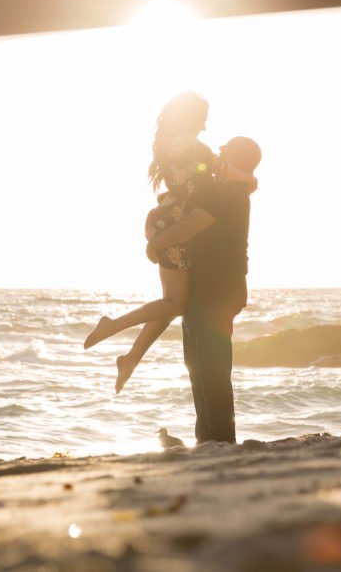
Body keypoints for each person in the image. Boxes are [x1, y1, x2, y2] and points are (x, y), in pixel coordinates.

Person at [83, 92, 216, 394]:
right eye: (203, 119)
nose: (205, 126)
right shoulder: (185, 142)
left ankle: (130, 359)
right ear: (191, 117)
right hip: (174, 223)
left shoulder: (175, 143)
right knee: (175, 303)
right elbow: (209, 175)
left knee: (170, 304)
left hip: (171, 219)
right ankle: (112, 325)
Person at [145, 136, 261, 444]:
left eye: (225, 151)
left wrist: (155, 244)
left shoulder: (227, 194)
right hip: (209, 288)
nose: (218, 153)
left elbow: (191, 226)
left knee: (211, 372)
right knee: (199, 368)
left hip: (216, 290)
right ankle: (208, 440)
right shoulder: (234, 190)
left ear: (234, 158)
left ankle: (220, 440)